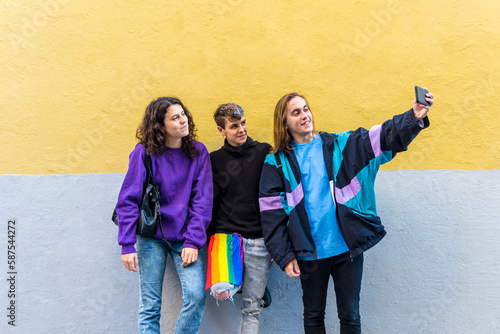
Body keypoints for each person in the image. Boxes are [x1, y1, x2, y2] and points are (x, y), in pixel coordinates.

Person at [259, 90, 434, 334]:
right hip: (309, 254)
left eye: (306, 109)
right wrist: (285, 255)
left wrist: (413, 117)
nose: (304, 115)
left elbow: (380, 136)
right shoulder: (275, 163)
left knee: (350, 316)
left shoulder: (339, 145)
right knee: (313, 316)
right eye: (296, 112)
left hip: (345, 249)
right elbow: (271, 215)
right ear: (284, 123)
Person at [115, 97, 213, 334]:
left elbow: (203, 200)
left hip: (185, 238)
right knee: (150, 306)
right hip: (150, 238)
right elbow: (128, 200)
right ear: (160, 126)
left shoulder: (198, 152)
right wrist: (127, 244)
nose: (183, 121)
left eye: (183, 114)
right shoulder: (143, 153)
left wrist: (192, 241)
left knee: (196, 295)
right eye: (175, 117)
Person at [207, 103, 273, 333]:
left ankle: (257, 286)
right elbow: (209, 203)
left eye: (243, 123)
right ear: (221, 130)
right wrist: (208, 239)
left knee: (252, 308)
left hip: (259, 240)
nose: (241, 129)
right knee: (222, 293)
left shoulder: (265, 152)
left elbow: (277, 199)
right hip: (226, 239)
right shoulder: (214, 160)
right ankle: (249, 282)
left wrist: (278, 243)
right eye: (234, 126)